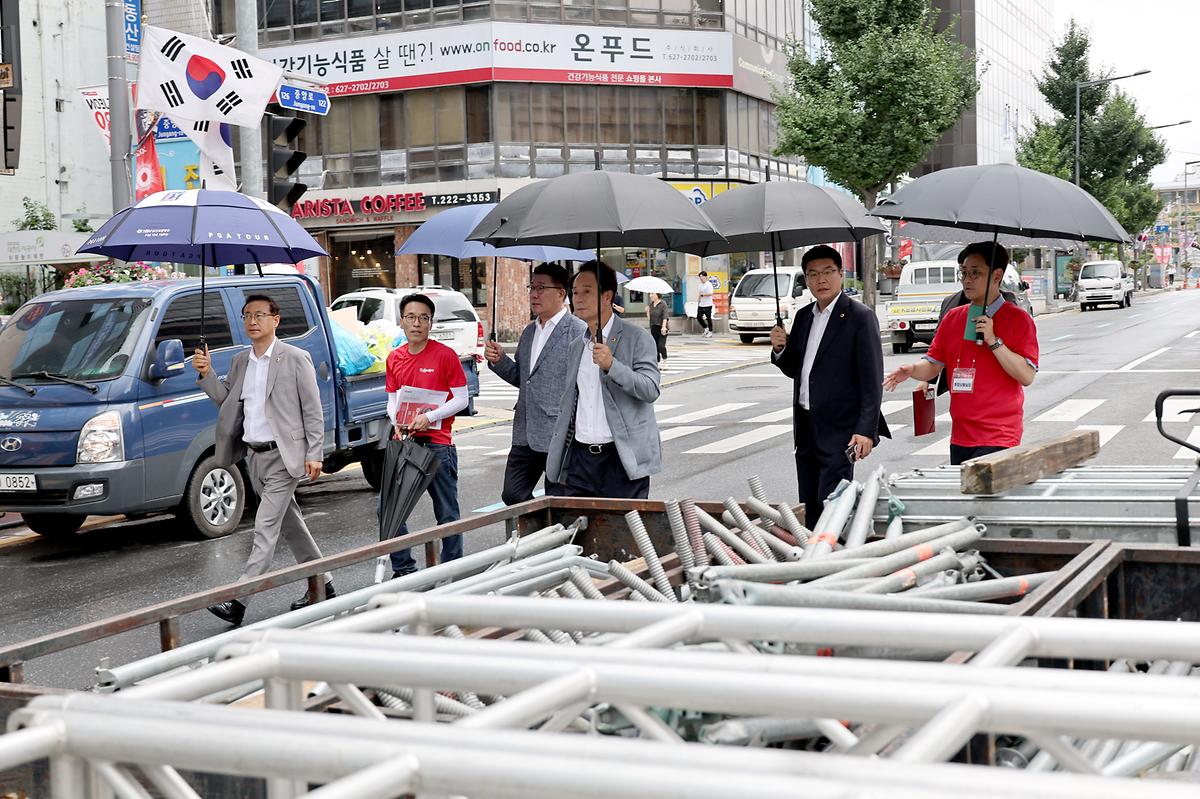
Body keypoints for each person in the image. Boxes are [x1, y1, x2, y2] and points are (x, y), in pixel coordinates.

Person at [195, 294, 332, 627]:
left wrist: (315, 453)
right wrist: (207, 373)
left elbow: (312, 410)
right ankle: (323, 585)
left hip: (285, 458)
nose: (252, 321)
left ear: (276, 320)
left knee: (265, 529)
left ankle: (239, 600)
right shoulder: (242, 361)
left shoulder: (295, 358)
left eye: (259, 315)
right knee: (291, 526)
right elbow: (226, 402)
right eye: (247, 316)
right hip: (255, 457)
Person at [883, 241, 1038, 465]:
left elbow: (1026, 375)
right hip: (961, 435)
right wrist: (913, 370)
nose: (967, 279)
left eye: (975, 273)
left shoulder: (1018, 320)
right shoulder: (954, 317)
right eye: (963, 272)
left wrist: (994, 341)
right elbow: (934, 364)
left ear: (997, 276)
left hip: (999, 435)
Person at [770, 245, 890, 524]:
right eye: (812, 274)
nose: (820, 280)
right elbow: (796, 369)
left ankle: (832, 556)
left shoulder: (859, 317)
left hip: (841, 429)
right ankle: (813, 555)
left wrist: (865, 430)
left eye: (827, 272)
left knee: (833, 504)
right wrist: (779, 350)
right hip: (806, 426)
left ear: (841, 274)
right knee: (809, 501)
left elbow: (872, 381)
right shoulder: (803, 317)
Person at [546, 261, 662, 499]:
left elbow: (650, 389)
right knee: (577, 533)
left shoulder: (637, 338)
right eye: (575, 292)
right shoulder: (577, 345)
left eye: (587, 291)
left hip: (621, 458)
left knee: (622, 532)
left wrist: (612, 365)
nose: (578, 298)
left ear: (607, 295)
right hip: (580, 459)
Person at [484, 263, 588, 505]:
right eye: (532, 287)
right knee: (513, 494)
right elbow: (522, 379)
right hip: (525, 432)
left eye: (541, 288)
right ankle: (539, 534)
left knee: (558, 500)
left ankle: (554, 540)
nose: (534, 294)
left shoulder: (577, 331)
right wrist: (500, 360)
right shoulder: (530, 331)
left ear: (562, 294)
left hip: (560, 435)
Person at [384, 293, 469, 577]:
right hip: (405, 444)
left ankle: (451, 571)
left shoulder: (445, 356)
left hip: (437, 446)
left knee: (446, 513)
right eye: (411, 317)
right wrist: (396, 419)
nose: (417, 323)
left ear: (431, 322)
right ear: (401, 322)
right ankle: (404, 569)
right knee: (390, 509)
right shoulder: (394, 358)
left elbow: (461, 399)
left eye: (423, 318)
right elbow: (392, 398)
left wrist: (430, 417)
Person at [647, 291, 669, 363]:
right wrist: (647, 312)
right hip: (654, 327)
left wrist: (664, 327)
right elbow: (650, 319)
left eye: (652, 294)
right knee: (655, 347)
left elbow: (665, 316)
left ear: (657, 294)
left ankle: (665, 360)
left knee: (661, 346)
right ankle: (658, 363)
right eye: (650, 294)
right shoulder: (651, 305)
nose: (650, 296)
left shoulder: (663, 304)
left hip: (662, 327)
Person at [696, 270, 714, 338]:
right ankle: (706, 328)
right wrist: (698, 302)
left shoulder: (709, 284)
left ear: (706, 277)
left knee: (708, 318)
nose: (701, 278)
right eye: (700, 276)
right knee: (699, 317)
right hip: (701, 304)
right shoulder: (700, 285)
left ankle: (710, 331)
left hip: (708, 304)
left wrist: (703, 295)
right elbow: (699, 294)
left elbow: (711, 293)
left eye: (702, 276)